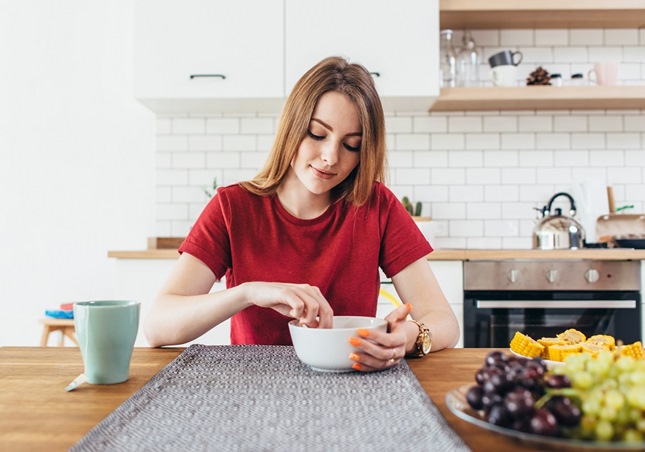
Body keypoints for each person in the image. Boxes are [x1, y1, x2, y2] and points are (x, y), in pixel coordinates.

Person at [144, 56, 460, 372]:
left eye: (351, 146)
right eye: (317, 134)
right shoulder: (232, 207)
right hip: (254, 386)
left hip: (354, 383)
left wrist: (409, 337)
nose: (330, 157)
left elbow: (444, 321)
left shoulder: (377, 206)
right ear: (293, 127)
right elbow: (158, 326)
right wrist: (249, 292)